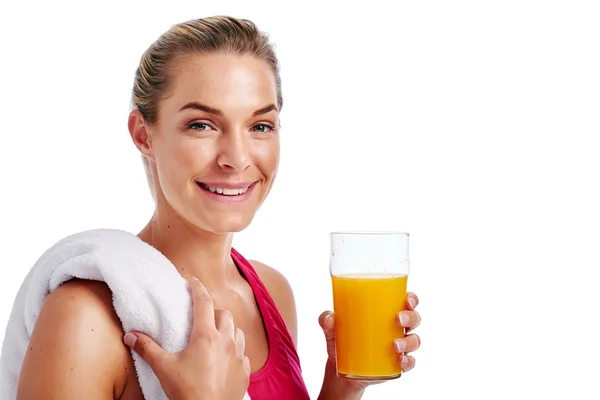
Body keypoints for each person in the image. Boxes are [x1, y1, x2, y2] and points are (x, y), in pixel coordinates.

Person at [9, 16, 421, 399]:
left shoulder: (272, 292)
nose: (237, 158)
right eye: (202, 125)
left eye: (260, 126)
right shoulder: (86, 319)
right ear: (143, 135)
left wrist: (342, 386)